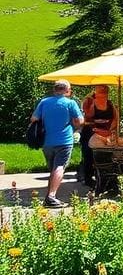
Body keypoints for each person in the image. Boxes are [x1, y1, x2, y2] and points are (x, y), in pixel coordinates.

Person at [30, 79, 83, 208]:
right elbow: (80, 121)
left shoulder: (44, 102)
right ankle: (51, 197)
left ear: (54, 90)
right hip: (64, 141)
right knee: (59, 167)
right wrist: (74, 127)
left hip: (47, 142)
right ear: (67, 90)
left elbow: (34, 119)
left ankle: (49, 197)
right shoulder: (70, 103)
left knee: (53, 169)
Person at [79, 85, 117, 188]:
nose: (103, 93)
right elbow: (88, 116)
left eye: (105, 91)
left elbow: (115, 118)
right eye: (101, 91)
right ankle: (88, 178)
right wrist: (93, 103)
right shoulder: (89, 101)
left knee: (105, 154)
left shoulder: (110, 103)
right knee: (89, 155)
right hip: (91, 131)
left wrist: (110, 129)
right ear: (95, 91)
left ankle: (104, 176)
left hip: (106, 132)